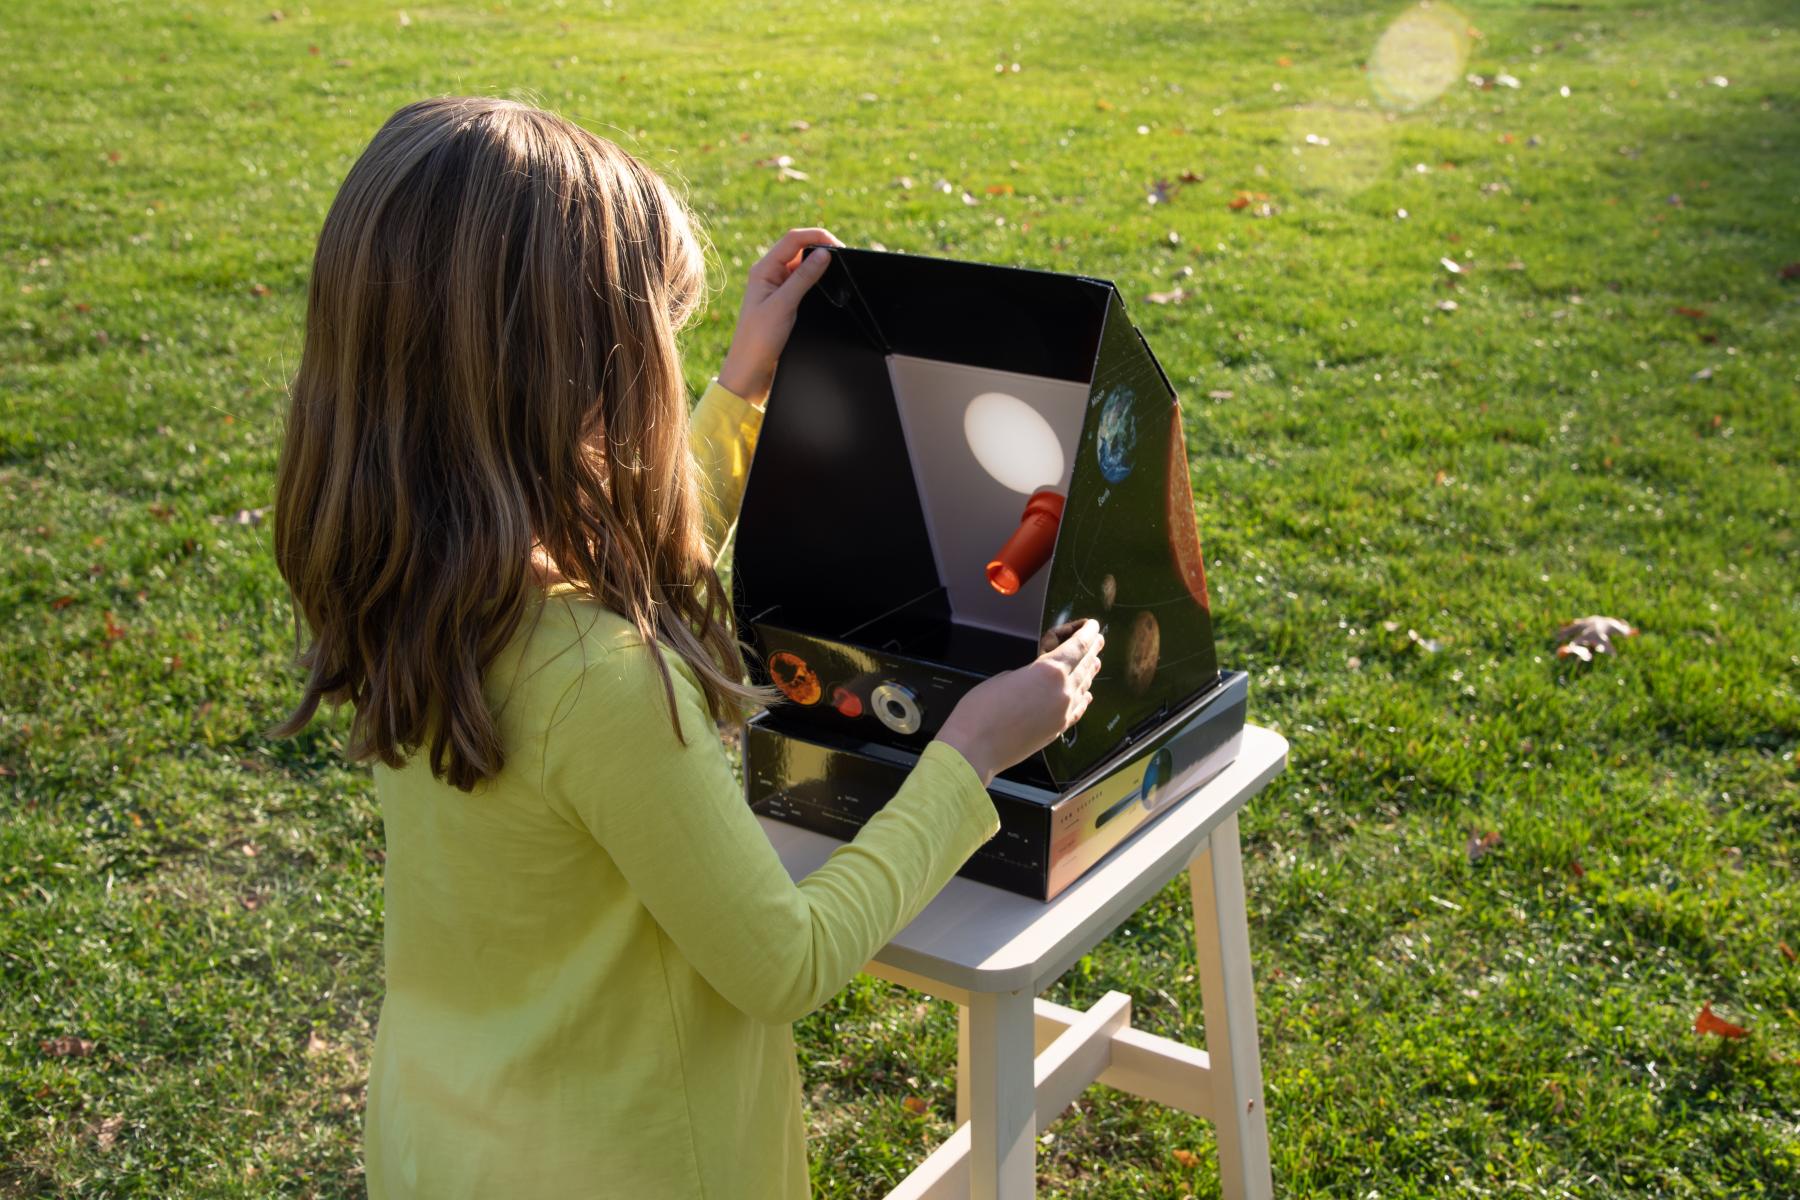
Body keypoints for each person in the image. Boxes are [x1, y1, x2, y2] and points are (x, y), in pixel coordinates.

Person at [272, 96, 1103, 1199]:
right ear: (586, 374)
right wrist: (972, 753)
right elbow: (785, 962)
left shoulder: (403, 578)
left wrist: (744, 387)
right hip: (637, 1161)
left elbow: (614, 539)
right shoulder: (600, 679)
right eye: (657, 334)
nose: (670, 356)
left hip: (447, 1135)